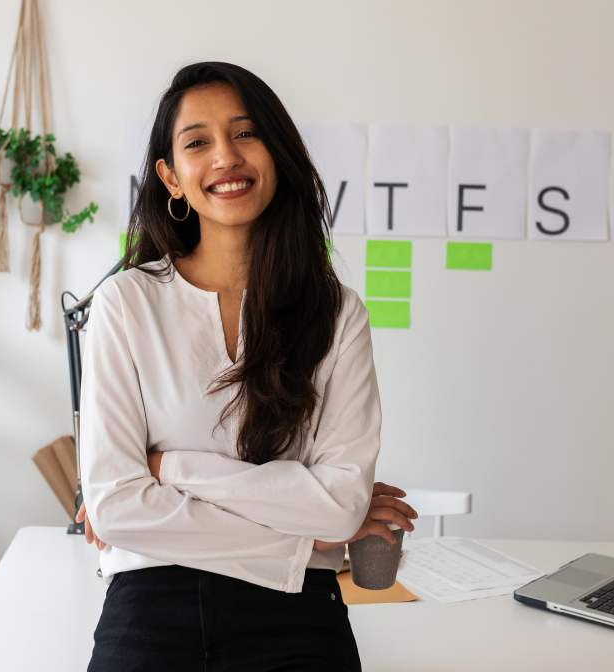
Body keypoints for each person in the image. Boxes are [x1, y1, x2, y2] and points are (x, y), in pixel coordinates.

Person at [76, 61, 418, 671]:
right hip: (152, 608)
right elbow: (117, 508)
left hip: (297, 616)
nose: (225, 157)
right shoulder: (125, 303)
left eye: (246, 133)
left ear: (278, 154)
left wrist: (170, 469)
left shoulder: (336, 313)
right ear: (171, 177)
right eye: (198, 142)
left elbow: (340, 506)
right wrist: (302, 536)